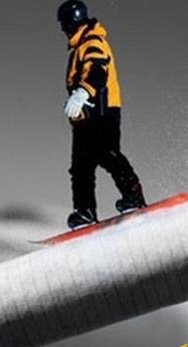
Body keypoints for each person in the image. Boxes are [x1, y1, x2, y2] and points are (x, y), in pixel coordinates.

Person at [58, 0, 147, 229]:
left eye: (64, 24)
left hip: (103, 111)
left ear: (71, 22)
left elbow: (97, 70)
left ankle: (134, 197)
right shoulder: (78, 48)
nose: (63, 29)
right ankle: (85, 212)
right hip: (85, 117)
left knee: (107, 153)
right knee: (80, 167)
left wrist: (82, 93)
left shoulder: (92, 41)